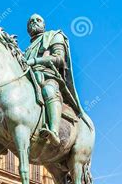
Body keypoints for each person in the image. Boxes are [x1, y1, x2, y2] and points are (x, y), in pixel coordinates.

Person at [25, 14, 86, 146]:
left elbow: (59, 59)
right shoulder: (28, 49)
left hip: (48, 76)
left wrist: (36, 60)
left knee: (49, 91)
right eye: (31, 22)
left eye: (38, 20)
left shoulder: (54, 36)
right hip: (30, 77)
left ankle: (54, 132)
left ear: (44, 25)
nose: (34, 22)